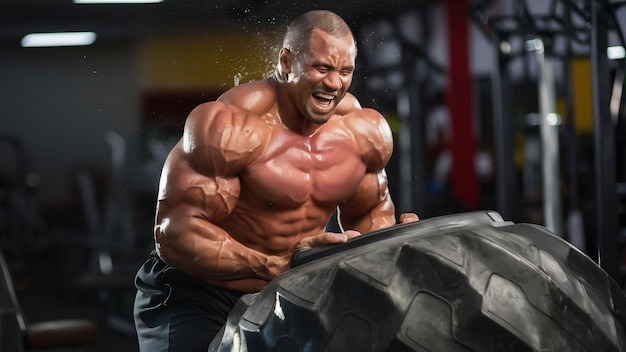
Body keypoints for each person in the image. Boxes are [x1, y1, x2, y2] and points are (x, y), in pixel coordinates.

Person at [133, 9, 419, 352]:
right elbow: (174, 233)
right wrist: (273, 265)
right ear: (287, 62)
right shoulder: (230, 126)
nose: (334, 83)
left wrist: (390, 243)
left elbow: (370, 211)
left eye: (345, 72)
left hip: (290, 288)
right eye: (322, 68)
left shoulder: (363, 132)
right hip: (198, 291)